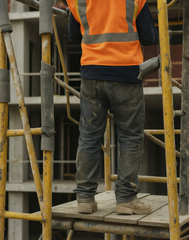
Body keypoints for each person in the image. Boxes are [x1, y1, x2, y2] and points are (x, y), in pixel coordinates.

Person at [65, 0, 158, 214]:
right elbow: (149, 37)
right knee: (130, 138)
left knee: (89, 137)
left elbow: (73, 35)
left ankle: (85, 199)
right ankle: (126, 199)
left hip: (92, 75)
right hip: (126, 73)